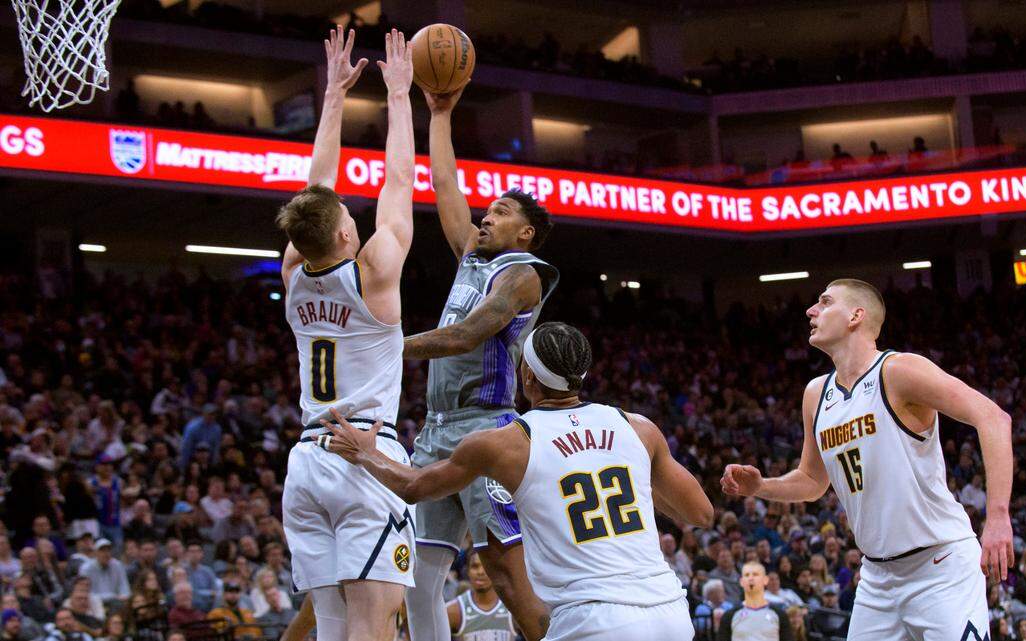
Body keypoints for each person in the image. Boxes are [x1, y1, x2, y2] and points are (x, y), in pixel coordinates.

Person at [324, 321, 714, 641]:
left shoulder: (506, 443)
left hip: (590, 621)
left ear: (526, 374)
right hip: (670, 614)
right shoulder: (639, 428)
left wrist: (364, 453)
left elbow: (414, 486)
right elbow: (701, 513)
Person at [722, 279, 1014, 641]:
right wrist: (762, 486)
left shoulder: (898, 371)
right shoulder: (816, 394)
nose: (811, 310)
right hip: (877, 578)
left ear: (856, 316)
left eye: (825, 302)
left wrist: (998, 516)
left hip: (939, 565)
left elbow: (994, 418)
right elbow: (813, 482)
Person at [401, 72, 559, 641]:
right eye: (485, 212)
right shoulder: (472, 256)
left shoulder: (523, 276)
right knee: (419, 577)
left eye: (498, 213)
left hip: (488, 430)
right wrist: (439, 114)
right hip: (435, 431)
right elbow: (444, 182)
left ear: (526, 233)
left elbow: (469, 334)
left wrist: (387, 349)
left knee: (506, 577)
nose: (485, 218)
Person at [276, 26, 416, 641]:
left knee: (331, 626)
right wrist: (400, 95)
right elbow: (398, 186)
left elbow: (318, 187)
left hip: (306, 463)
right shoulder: (374, 274)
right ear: (340, 236)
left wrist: (333, 94)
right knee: (371, 622)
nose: (353, 216)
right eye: (346, 218)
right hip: (364, 453)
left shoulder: (292, 272)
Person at [446, 552, 515, 641]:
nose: (480, 572)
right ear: (467, 571)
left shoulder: (512, 609)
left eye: (486, 566)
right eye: (475, 566)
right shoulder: (453, 610)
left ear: (495, 570)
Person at [717, 562, 792, 641]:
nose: (751, 579)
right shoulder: (729, 616)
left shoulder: (779, 615)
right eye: (747, 575)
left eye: (755, 575)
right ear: (741, 582)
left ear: (765, 580)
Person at [79, 540, 130, 610]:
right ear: (95, 553)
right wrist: (112, 597)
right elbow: (86, 593)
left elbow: (124, 587)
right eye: (102, 551)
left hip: (117, 603)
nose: (106, 554)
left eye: (108, 550)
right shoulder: (86, 569)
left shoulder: (117, 565)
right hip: (94, 604)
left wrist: (124, 596)